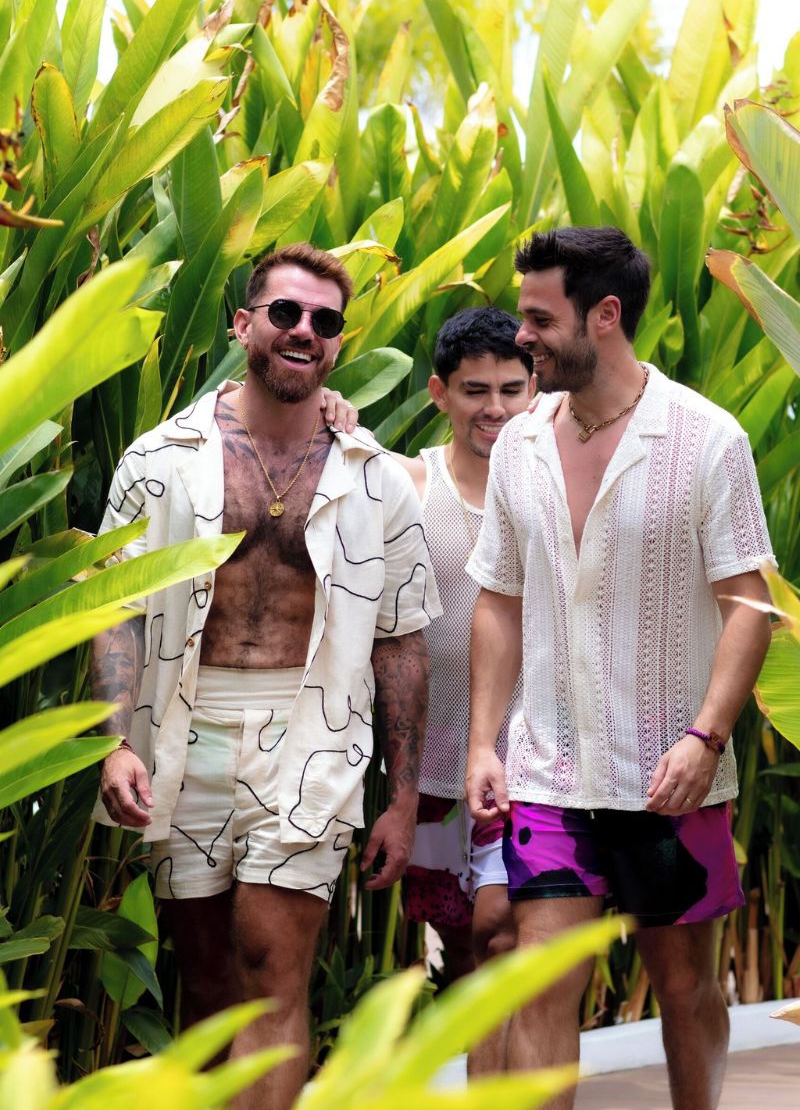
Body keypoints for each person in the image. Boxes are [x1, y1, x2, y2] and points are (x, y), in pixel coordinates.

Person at [91, 242, 440, 1110]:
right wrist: (111, 743)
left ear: (337, 345)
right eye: (286, 313)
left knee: (271, 967)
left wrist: (401, 797)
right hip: (182, 730)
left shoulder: (375, 480)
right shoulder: (157, 461)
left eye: (325, 322)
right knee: (207, 981)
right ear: (244, 324)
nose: (304, 331)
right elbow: (114, 612)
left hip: (313, 737)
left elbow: (400, 639)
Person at [465, 226, 775, 1110]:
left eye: (537, 318)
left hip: (671, 779)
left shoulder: (705, 439)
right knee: (540, 981)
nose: (520, 335)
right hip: (550, 773)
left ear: (605, 316)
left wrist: (706, 737)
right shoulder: (520, 444)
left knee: (685, 989)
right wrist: (485, 744)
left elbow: (750, 603)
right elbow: (498, 598)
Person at [391, 306, 533, 1072]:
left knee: (505, 935)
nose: (496, 409)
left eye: (513, 388)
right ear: (440, 393)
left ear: (538, 390)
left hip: (531, 770)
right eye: (476, 390)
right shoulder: (411, 486)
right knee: (468, 958)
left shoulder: (553, 494)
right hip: (435, 778)